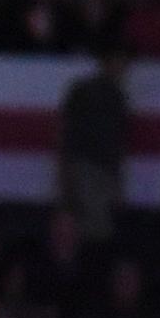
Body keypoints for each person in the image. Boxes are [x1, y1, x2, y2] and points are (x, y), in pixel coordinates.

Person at [57, 43, 132, 240]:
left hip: (104, 168)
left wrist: (117, 180)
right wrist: (68, 168)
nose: (121, 68)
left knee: (100, 223)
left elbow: (117, 139)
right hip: (86, 165)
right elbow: (70, 130)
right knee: (89, 223)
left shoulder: (118, 97)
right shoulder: (85, 91)